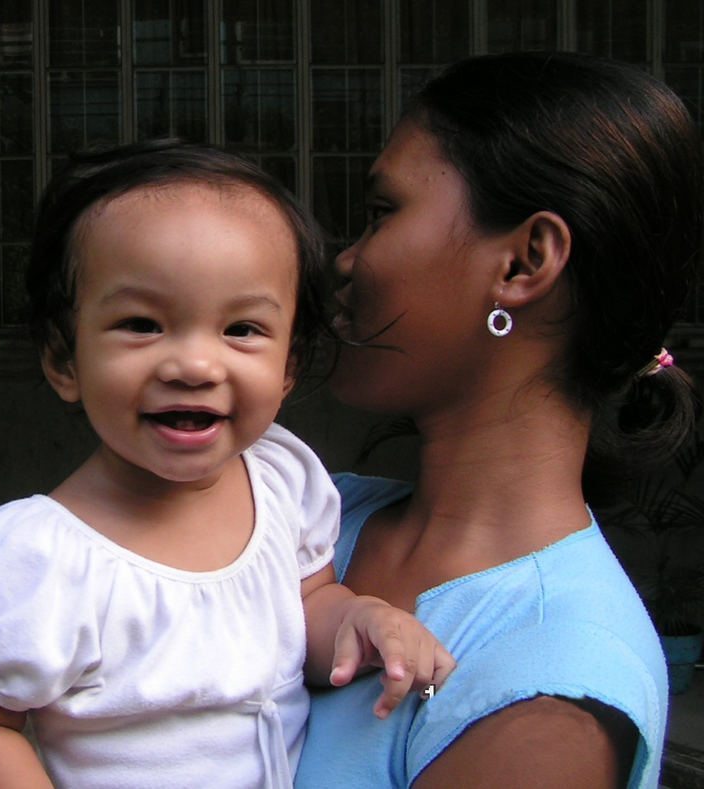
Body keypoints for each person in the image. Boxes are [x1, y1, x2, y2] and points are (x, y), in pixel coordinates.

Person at [0, 140, 454, 789]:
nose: (195, 366)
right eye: (143, 323)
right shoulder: (37, 559)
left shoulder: (283, 481)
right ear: (66, 359)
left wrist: (359, 619)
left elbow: (310, 604)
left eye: (242, 329)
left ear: (288, 367)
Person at [295, 52, 702, 789]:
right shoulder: (305, 515)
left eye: (382, 212)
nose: (346, 260)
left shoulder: (551, 683)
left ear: (524, 262)